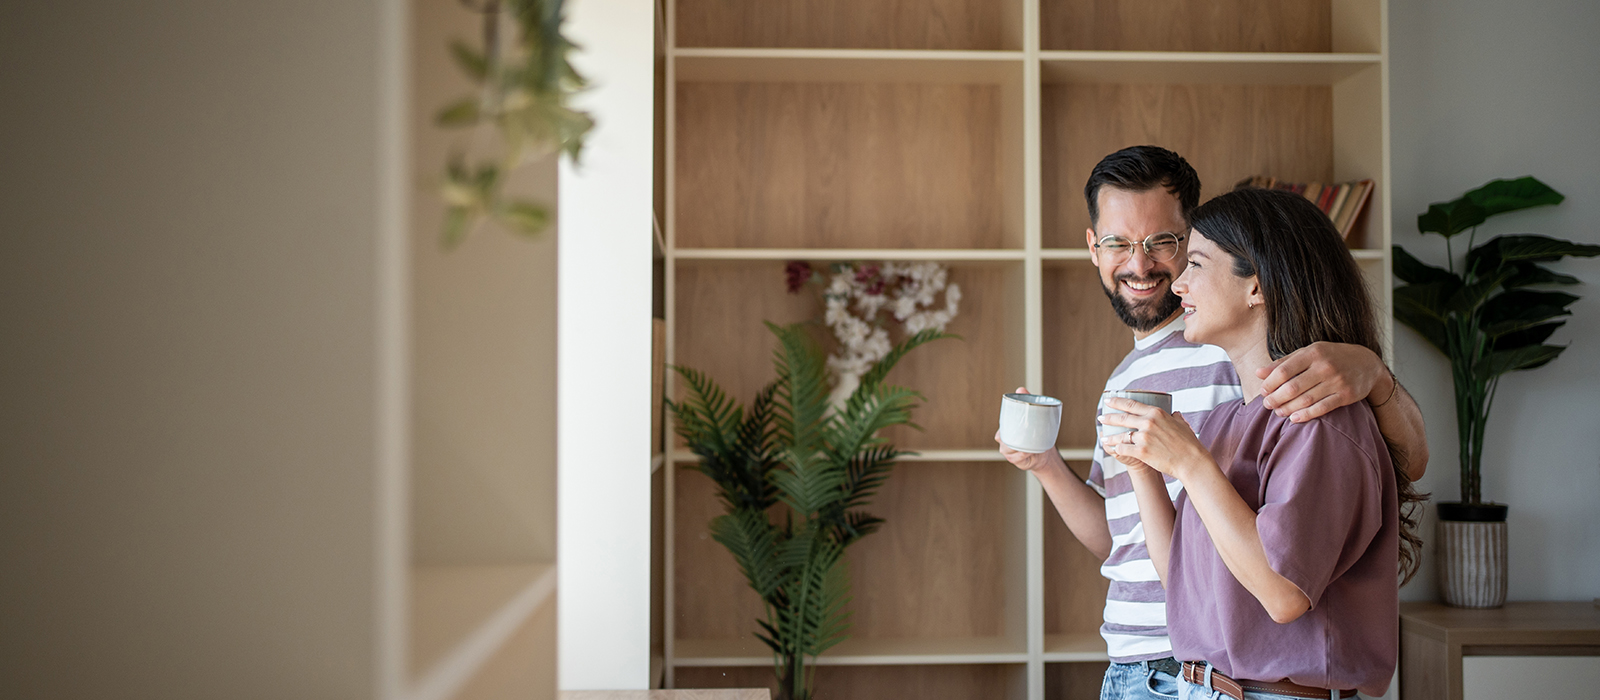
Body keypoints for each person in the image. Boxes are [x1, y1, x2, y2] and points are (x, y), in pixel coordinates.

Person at [996, 146, 1427, 700]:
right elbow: (1132, 545)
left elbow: (1399, 464)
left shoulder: (1268, 370)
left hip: (1224, 666)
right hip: (1159, 663)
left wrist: (1373, 375)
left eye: (1168, 246)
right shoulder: (1135, 382)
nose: (1145, 265)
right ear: (1093, 246)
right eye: (1118, 243)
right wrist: (1051, 466)